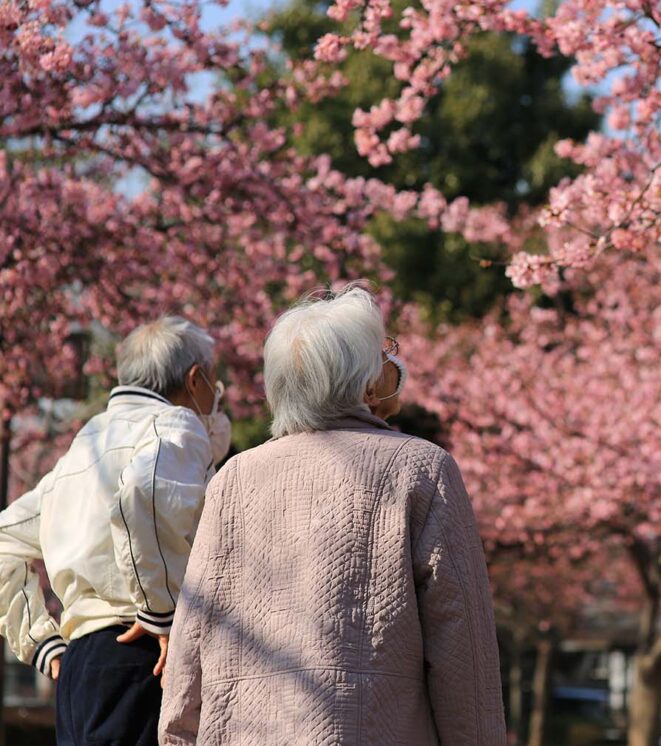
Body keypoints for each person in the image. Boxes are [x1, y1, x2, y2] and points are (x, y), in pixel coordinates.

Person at [159, 285, 506, 745]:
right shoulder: (420, 469)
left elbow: (193, 633)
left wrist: (177, 735)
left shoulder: (233, 478)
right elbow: (461, 642)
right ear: (364, 379)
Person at [0, 317, 227, 746]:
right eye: (213, 384)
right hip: (143, 652)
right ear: (195, 379)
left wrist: (39, 641)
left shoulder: (83, 448)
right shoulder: (174, 423)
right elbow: (146, 489)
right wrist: (159, 612)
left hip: (78, 665)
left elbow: (4, 539)